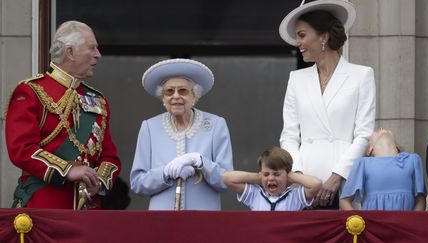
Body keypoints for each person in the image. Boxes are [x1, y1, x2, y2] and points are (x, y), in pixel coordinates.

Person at [5, 20, 121, 209]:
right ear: (70, 52)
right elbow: (21, 149)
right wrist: (67, 170)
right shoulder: (31, 91)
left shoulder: (98, 101)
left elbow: (110, 157)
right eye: (92, 48)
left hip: (88, 210)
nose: (98, 55)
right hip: (44, 206)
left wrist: (98, 181)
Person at [278, 0, 376, 209]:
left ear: (324, 36)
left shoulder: (361, 75)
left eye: (302, 35)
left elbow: (364, 133)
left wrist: (337, 176)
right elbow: (289, 135)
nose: (297, 43)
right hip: (304, 185)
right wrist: (299, 175)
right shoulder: (296, 79)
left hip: (345, 182)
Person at [130, 58, 233, 210]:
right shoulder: (149, 127)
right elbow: (137, 183)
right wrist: (165, 173)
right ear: (163, 98)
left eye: (183, 91)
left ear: (194, 96)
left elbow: (227, 181)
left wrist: (201, 162)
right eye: (169, 91)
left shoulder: (216, 125)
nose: (175, 96)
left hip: (203, 221)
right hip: (162, 222)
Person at [339, 128, 426, 210]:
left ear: (397, 146)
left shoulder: (412, 160)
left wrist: (412, 222)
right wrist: (358, 221)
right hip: (373, 223)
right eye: (376, 131)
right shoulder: (363, 163)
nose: (381, 128)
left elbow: (421, 200)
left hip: (404, 223)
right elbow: (344, 201)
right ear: (370, 150)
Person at [223, 147, 321, 211]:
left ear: (287, 175)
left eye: (276, 174)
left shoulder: (295, 197)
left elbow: (316, 184)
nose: (270, 178)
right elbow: (227, 178)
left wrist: (292, 176)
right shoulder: (255, 195)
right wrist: (258, 177)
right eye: (266, 174)